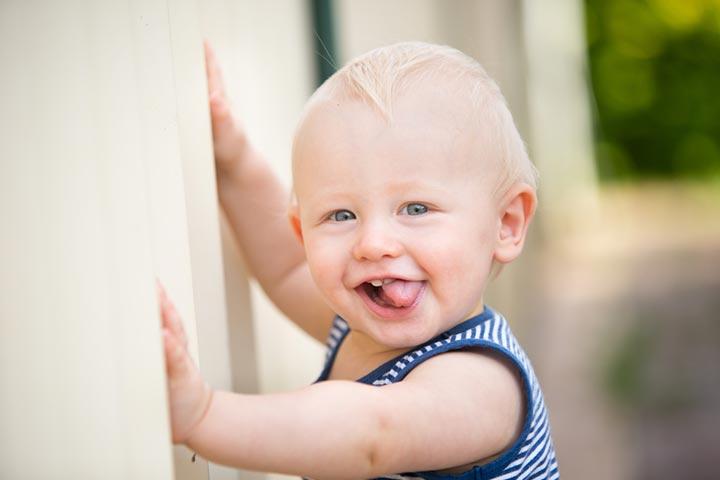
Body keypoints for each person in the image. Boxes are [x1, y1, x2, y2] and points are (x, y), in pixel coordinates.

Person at [158, 41, 559, 479]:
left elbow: (372, 435)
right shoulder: (358, 330)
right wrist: (231, 161)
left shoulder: (483, 381)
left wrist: (205, 416)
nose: (373, 243)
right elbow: (287, 267)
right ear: (304, 234)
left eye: (416, 209)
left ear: (506, 223)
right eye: (341, 215)